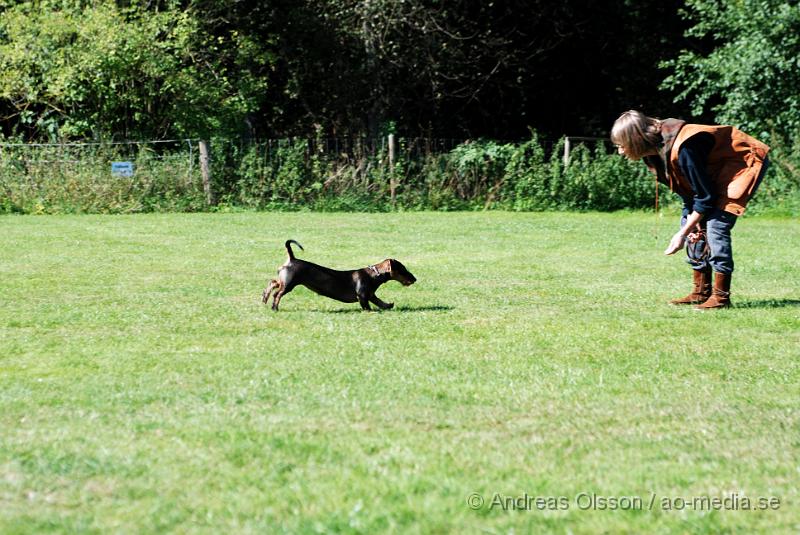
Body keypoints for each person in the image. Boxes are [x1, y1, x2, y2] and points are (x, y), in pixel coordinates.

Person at [610, 110, 770, 309]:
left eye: (621, 146)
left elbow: (706, 197)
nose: (620, 152)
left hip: (741, 164)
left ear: (636, 141)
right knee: (693, 227)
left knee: (716, 227)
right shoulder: (653, 153)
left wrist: (681, 234)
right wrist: (689, 226)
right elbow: (688, 191)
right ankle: (701, 291)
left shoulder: (685, 148)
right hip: (709, 179)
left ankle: (721, 297)